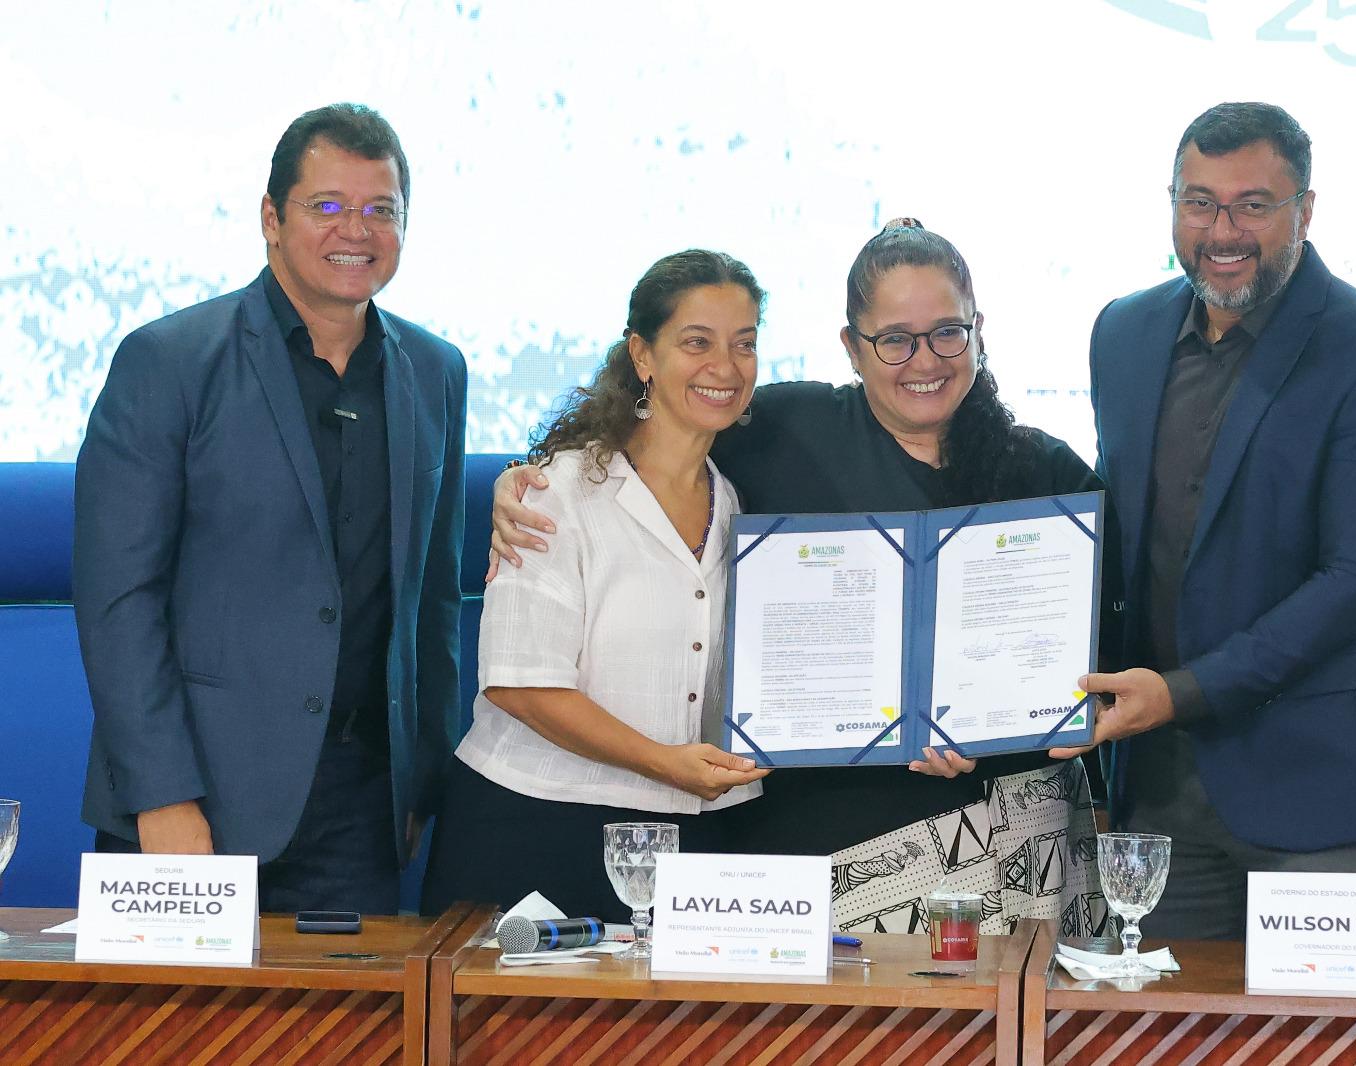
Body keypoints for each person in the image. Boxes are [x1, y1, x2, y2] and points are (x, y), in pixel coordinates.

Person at [488, 222, 1112, 938]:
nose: (924, 361)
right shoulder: (782, 428)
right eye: (894, 339)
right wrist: (524, 479)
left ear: (978, 331)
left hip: (1007, 847)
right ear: (851, 346)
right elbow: (644, 438)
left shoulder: (1047, 474)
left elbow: (1100, 658)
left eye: (947, 333)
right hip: (818, 848)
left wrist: (1009, 733)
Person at [1051, 102, 1356, 940]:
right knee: (1165, 1041)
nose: (1222, 230)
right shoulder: (1123, 331)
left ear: (1305, 209)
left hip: (1317, 786)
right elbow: (1118, 542)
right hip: (1158, 788)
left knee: (1325, 1041)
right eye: (1199, 202)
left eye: (1253, 205)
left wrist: (1181, 695)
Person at [74, 103, 466, 915]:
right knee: (167, 1042)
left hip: (362, 812)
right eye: (327, 206)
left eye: (380, 210)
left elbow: (430, 596)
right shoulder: (169, 361)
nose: (355, 230)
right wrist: (162, 796)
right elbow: (119, 602)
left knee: (346, 1045)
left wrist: (423, 777)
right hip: (194, 803)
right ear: (270, 219)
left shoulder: (435, 370)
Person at [420, 250, 771, 917]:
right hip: (536, 833)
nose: (725, 367)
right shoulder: (556, 493)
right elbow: (521, 686)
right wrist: (665, 762)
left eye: (744, 343)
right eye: (697, 342)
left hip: (703, 837)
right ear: (642, 355)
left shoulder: (745, 504)